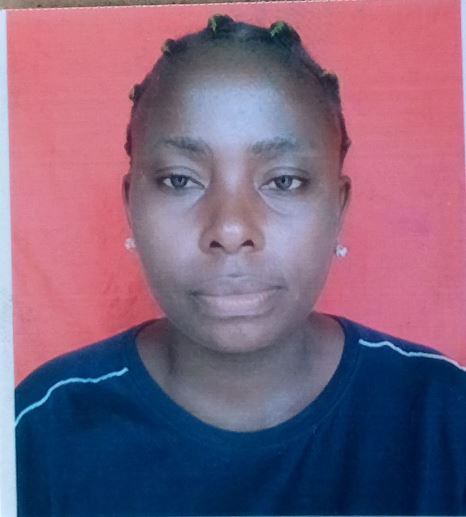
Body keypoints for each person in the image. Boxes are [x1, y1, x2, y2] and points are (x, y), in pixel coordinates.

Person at [15, 15, 466, 516]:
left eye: (284, 181)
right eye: (180, 180)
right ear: (131, 206)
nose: (230, 229)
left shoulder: (444, 417)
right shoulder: (38, 430)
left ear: (338, 209)